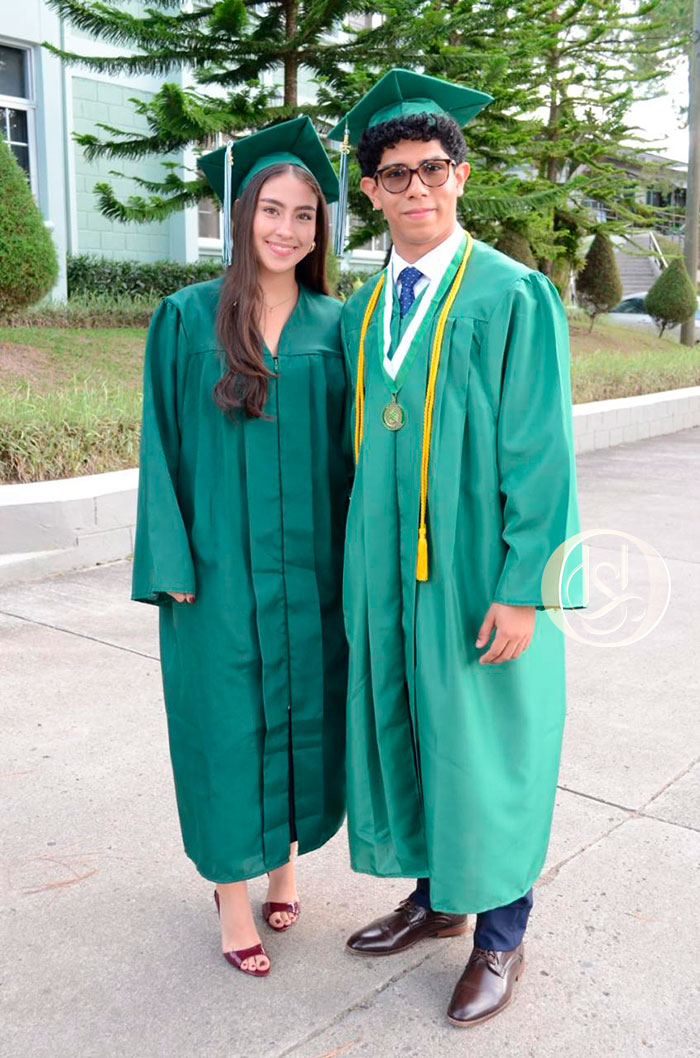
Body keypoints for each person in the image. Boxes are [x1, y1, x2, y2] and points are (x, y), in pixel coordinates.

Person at [328, 69, 583, 1025]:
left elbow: (542, 453)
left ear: (461, 175)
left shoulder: (513, 295)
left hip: (479, 572)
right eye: (395, 175)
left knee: (488, 746)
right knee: (413, 729)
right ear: (372, 191)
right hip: (389, 572)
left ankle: (502, 934)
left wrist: (526, 588)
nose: (417, 188)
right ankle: (437, 900)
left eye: (433, 168)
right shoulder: (363, 312)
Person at [131, 117, 350, 978]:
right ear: (239, 214)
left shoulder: (339, 324)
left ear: (321, 229)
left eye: (305, 214)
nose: (286, 230)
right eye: (271, 210)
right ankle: (231, 895)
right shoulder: (187, 317)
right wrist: (170, 563)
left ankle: (285, 867)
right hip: (216, 573)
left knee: (303, 717)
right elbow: (159, 444)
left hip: (311, 574)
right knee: (225, 729)